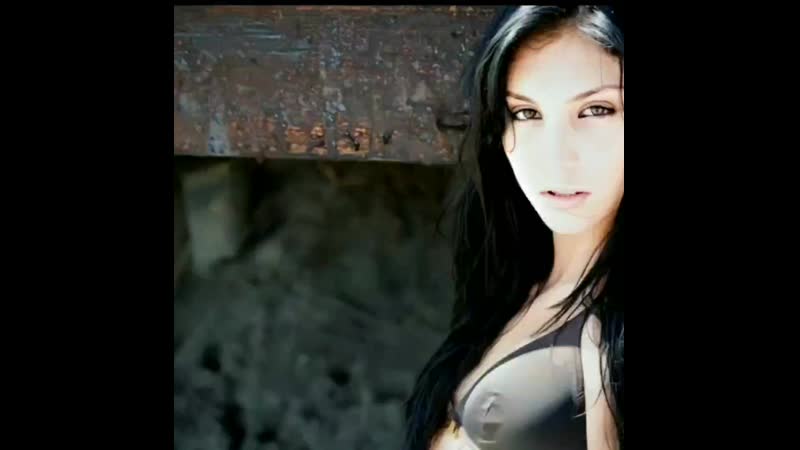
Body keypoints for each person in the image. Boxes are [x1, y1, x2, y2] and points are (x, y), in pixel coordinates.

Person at [403, 6, 623, 450]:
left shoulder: (605, 338)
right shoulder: (513, 289)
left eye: (596, 110)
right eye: (525, 113)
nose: (555, 156)